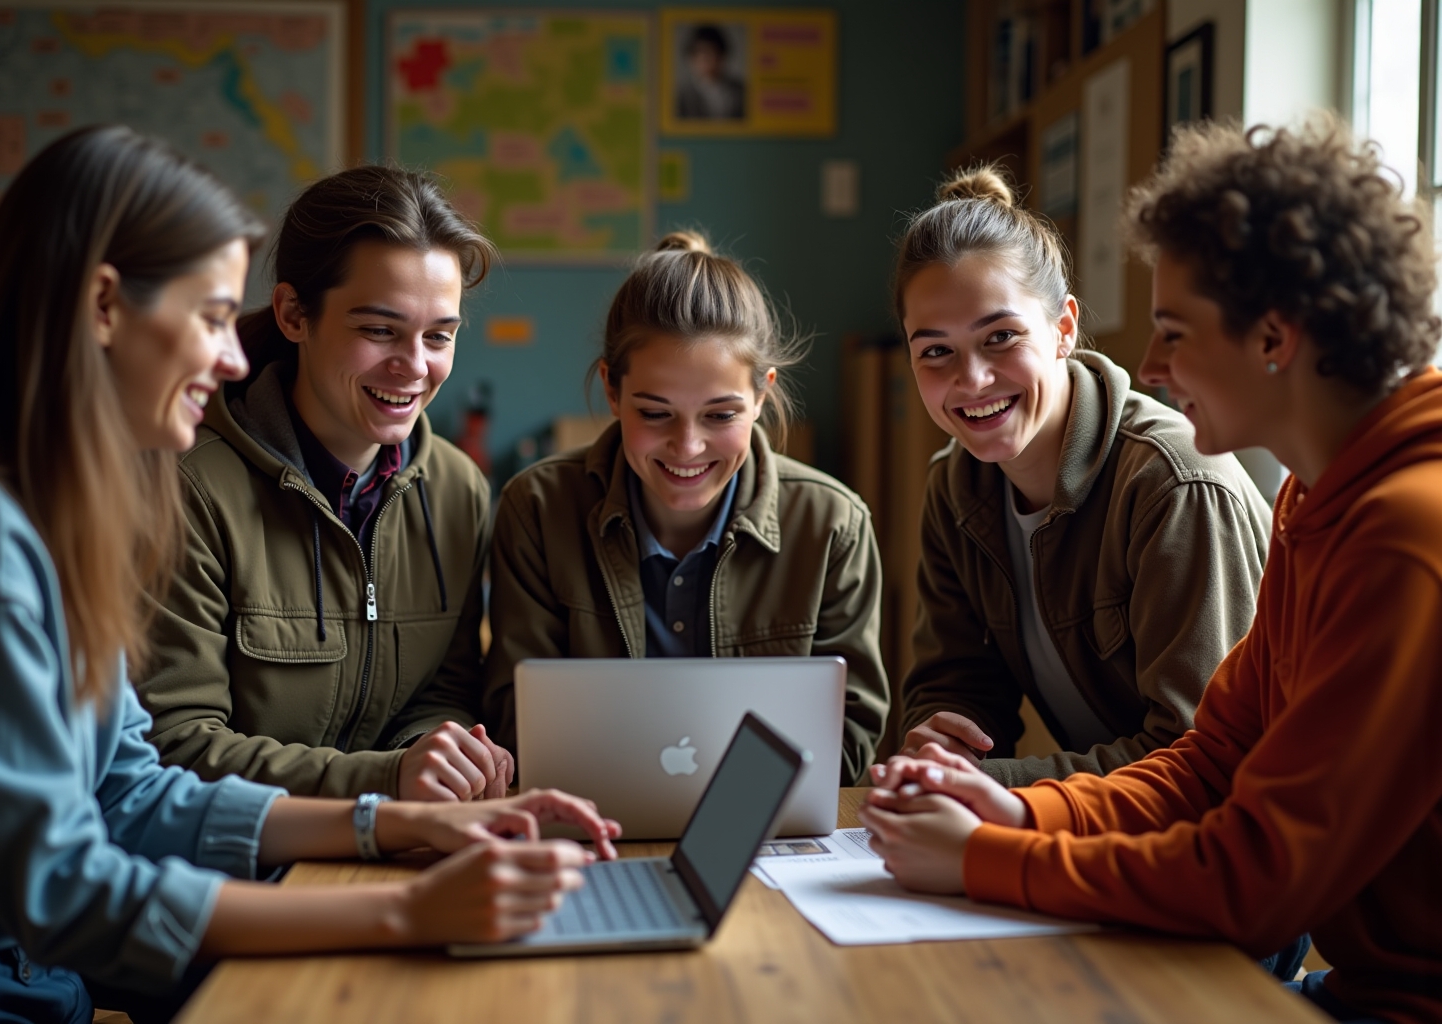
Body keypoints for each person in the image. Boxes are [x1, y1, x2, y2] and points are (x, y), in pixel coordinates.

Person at [0, 126, 618, 1024]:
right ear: (102, 307)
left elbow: (130, 788)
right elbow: (65, 891)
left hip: (44, 985)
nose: (235, 356)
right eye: (211, 318)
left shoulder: (45, 512)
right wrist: (401, 908)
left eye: (439, 334)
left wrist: (398, 821)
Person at [863, 118, 1442, 1024]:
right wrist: (1017, 816)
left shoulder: (1406, 533)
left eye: (1174, 330)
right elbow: (1213, 758)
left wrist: (987, 856)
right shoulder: (1315, 501)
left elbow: (1262, 876)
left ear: (1274, 338)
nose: (1152, 365)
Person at [135, 166, 511, 803]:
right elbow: (176, 744)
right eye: (378, 330)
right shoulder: (185, 488)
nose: (415, 367)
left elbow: (440, 695)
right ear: (292, 314)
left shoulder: (457, 490)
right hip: (239, 869)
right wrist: (386, 781)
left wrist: (445, 756)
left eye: (439, 336)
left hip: (392, 846)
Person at [891, 166, 1271, 786]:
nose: (973, 379)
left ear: (1064, 327)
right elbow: (956, 682)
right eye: (935, 350)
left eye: (1001, 336)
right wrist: (941, 743)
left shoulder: (1174, 487)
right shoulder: (954, 488)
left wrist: (992, 789)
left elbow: (1200, 760)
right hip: (1115, 826)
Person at [482, 232, 889, 784]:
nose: (688, 446)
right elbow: (515, 723)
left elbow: (850, 736)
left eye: (720, 416)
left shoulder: (833, 526)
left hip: (758, 832)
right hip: (587, 826)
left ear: (762, 396)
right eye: (655, 414)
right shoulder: (535, 509)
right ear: (611, 389)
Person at [676, 24, 746, 120]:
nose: (704, 59)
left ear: (721, 55)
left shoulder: (741, 93)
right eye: (698, 53)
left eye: (709, 52)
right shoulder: (681, 97)